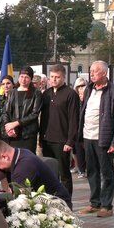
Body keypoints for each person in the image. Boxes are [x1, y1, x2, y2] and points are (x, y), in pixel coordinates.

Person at [78, 60, 114, 218]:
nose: (91, 74)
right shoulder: (88, 89)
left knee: (106, 173)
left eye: (95, 71)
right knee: (91, 171)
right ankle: (95, 203)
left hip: (103, 139)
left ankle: (107, 205)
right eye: (90, 71)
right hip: (87, 137)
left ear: (104, 73)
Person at [0, 139, 72, 209]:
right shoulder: (18, 153)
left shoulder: (24, 167)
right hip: (44, 202)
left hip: (57, 206)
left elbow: (19, 203)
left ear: (5, 157)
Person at [39, 64, 79, 196]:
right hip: (46, 139)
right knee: (49, 172)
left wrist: (70, 141)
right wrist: (41, 138)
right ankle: (51, 199)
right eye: (52, 77)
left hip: (62, 141)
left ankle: (67, 202)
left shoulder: (71, 94)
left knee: (64, 174)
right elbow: (43, 118)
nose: (54, 80)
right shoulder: (46, 93)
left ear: (63, 77)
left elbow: (74, 119)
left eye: (57, 77)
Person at [1, 68, 42, 153]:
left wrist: (16, 123)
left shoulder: (36, 93)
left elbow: (34, 114)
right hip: (13, 134)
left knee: (27, 160)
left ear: (31, 79)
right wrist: (8, 127)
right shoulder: (12, 92)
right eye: (22, 76)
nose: (23, 79)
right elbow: (5, 112)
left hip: (28, 134)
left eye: (26, 77)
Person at [72, 77, 87, 178]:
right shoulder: (74, 100)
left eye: (83, 86)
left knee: (86, 150)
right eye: (79, 86)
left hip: (86, 128)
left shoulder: (89, 99)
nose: (81, 88)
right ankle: (81, 169)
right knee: (77, 149)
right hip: (76, 128)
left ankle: (86, 169)